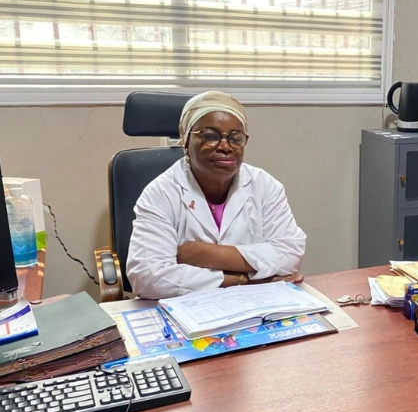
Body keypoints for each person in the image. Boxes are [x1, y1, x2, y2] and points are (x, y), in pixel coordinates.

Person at [126, 91, 306, 299]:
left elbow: (291, 253)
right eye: (210, 136)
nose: (225, 147)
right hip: (183, 307)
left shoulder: (265, 185)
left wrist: (205, 255)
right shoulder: (161, 193)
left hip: (254, 303)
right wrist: (244, 280)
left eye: (235, 138)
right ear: (186, 141)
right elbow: (148, 277)